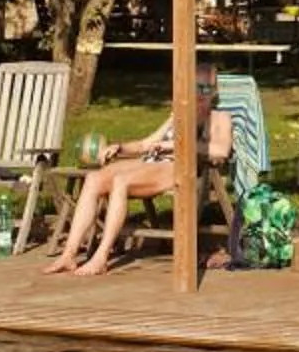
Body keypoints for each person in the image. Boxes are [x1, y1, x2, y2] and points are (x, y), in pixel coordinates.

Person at [42, 72, 236, 276]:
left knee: (121, 181)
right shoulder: (178, 114)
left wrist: (173, 145)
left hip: (178, 168)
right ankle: (68, 255)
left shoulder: (219, 118)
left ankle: (101, 256)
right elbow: (146, 144)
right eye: (195, 87)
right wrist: (120, 148)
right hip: (151, 162)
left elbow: (221, 150)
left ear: (214, 92)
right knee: (94, 178)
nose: (199, 93)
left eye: (205, 88)